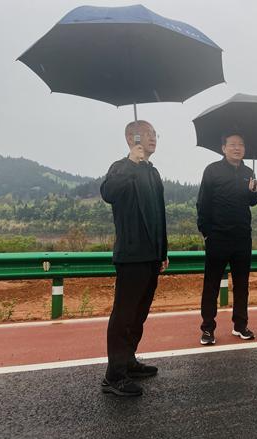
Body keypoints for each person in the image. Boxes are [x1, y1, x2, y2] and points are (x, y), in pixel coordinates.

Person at [100, 120, 169, 396]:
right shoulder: (121, 167)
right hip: (131, 255)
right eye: (148, 134)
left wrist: (163, 251)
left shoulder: (152, 172)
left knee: (139, 313)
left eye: (155, 134)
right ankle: (114, 376)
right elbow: (108, 193)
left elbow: (159, 215)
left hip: (151, 255)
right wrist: (131, 162)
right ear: (132, 138)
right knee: (124, 314)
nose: (153, 138)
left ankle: (128, 361)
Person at [197, 132, 257, 345]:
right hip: (217, 237)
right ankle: (207, 328)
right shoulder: (212, 170)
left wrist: (254, 192)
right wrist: (206, 232)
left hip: (242, 238)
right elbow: (202, 202)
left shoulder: (248, 172)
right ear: (223, 148)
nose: (237, 148)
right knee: (211, 285)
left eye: (240, 144)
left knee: (242, 285)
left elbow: (253, 202)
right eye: (232, 144)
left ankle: (240, 325)